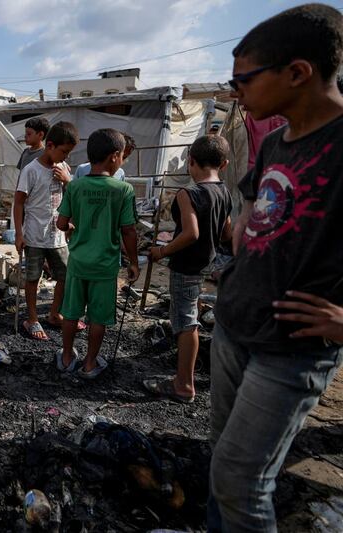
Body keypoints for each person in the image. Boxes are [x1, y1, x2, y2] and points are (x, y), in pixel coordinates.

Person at [207, 5, 343, 531]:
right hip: (236, 324)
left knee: (243, 481)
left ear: (297, 72)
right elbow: (252, 208)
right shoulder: (275, 141)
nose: (237, 91)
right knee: (222, 463)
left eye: (244, 79)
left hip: (291, 346)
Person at [142, 135, 233, 403]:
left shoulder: (188, 193)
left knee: (185, 323)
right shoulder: (224, 192)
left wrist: (162, 250)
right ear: (224, 164)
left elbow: (191, 233)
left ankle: (183, 384)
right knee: (188, 317)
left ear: (190, 161)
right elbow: (227, 233)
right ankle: (185, 378)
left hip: (187, 265)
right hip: (207, 262)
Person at [56, 129, 138, 378]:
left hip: (78, 262)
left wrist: (72, 226)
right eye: (122, 155)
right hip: (105, 265)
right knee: (98, 318)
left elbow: (61, 223)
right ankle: (90, 363)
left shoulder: (75, 186)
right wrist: (133, 262)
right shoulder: (123, 189)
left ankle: (67, 356)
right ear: (114, 156)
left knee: (70, 313)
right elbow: (128, 231)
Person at [13, 121, 77, 341]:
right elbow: (19, 202)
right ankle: (31, 318)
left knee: (67, 275)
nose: (66, 157)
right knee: (33, 278)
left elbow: (72, 198)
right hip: (34, 235)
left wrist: (68, 181)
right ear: (50, 145)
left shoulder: (65, 170)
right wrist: (19, 234)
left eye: (68, 153)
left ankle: (54, 313)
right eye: (64, 152)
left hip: (58, 235)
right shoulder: (31, 170)